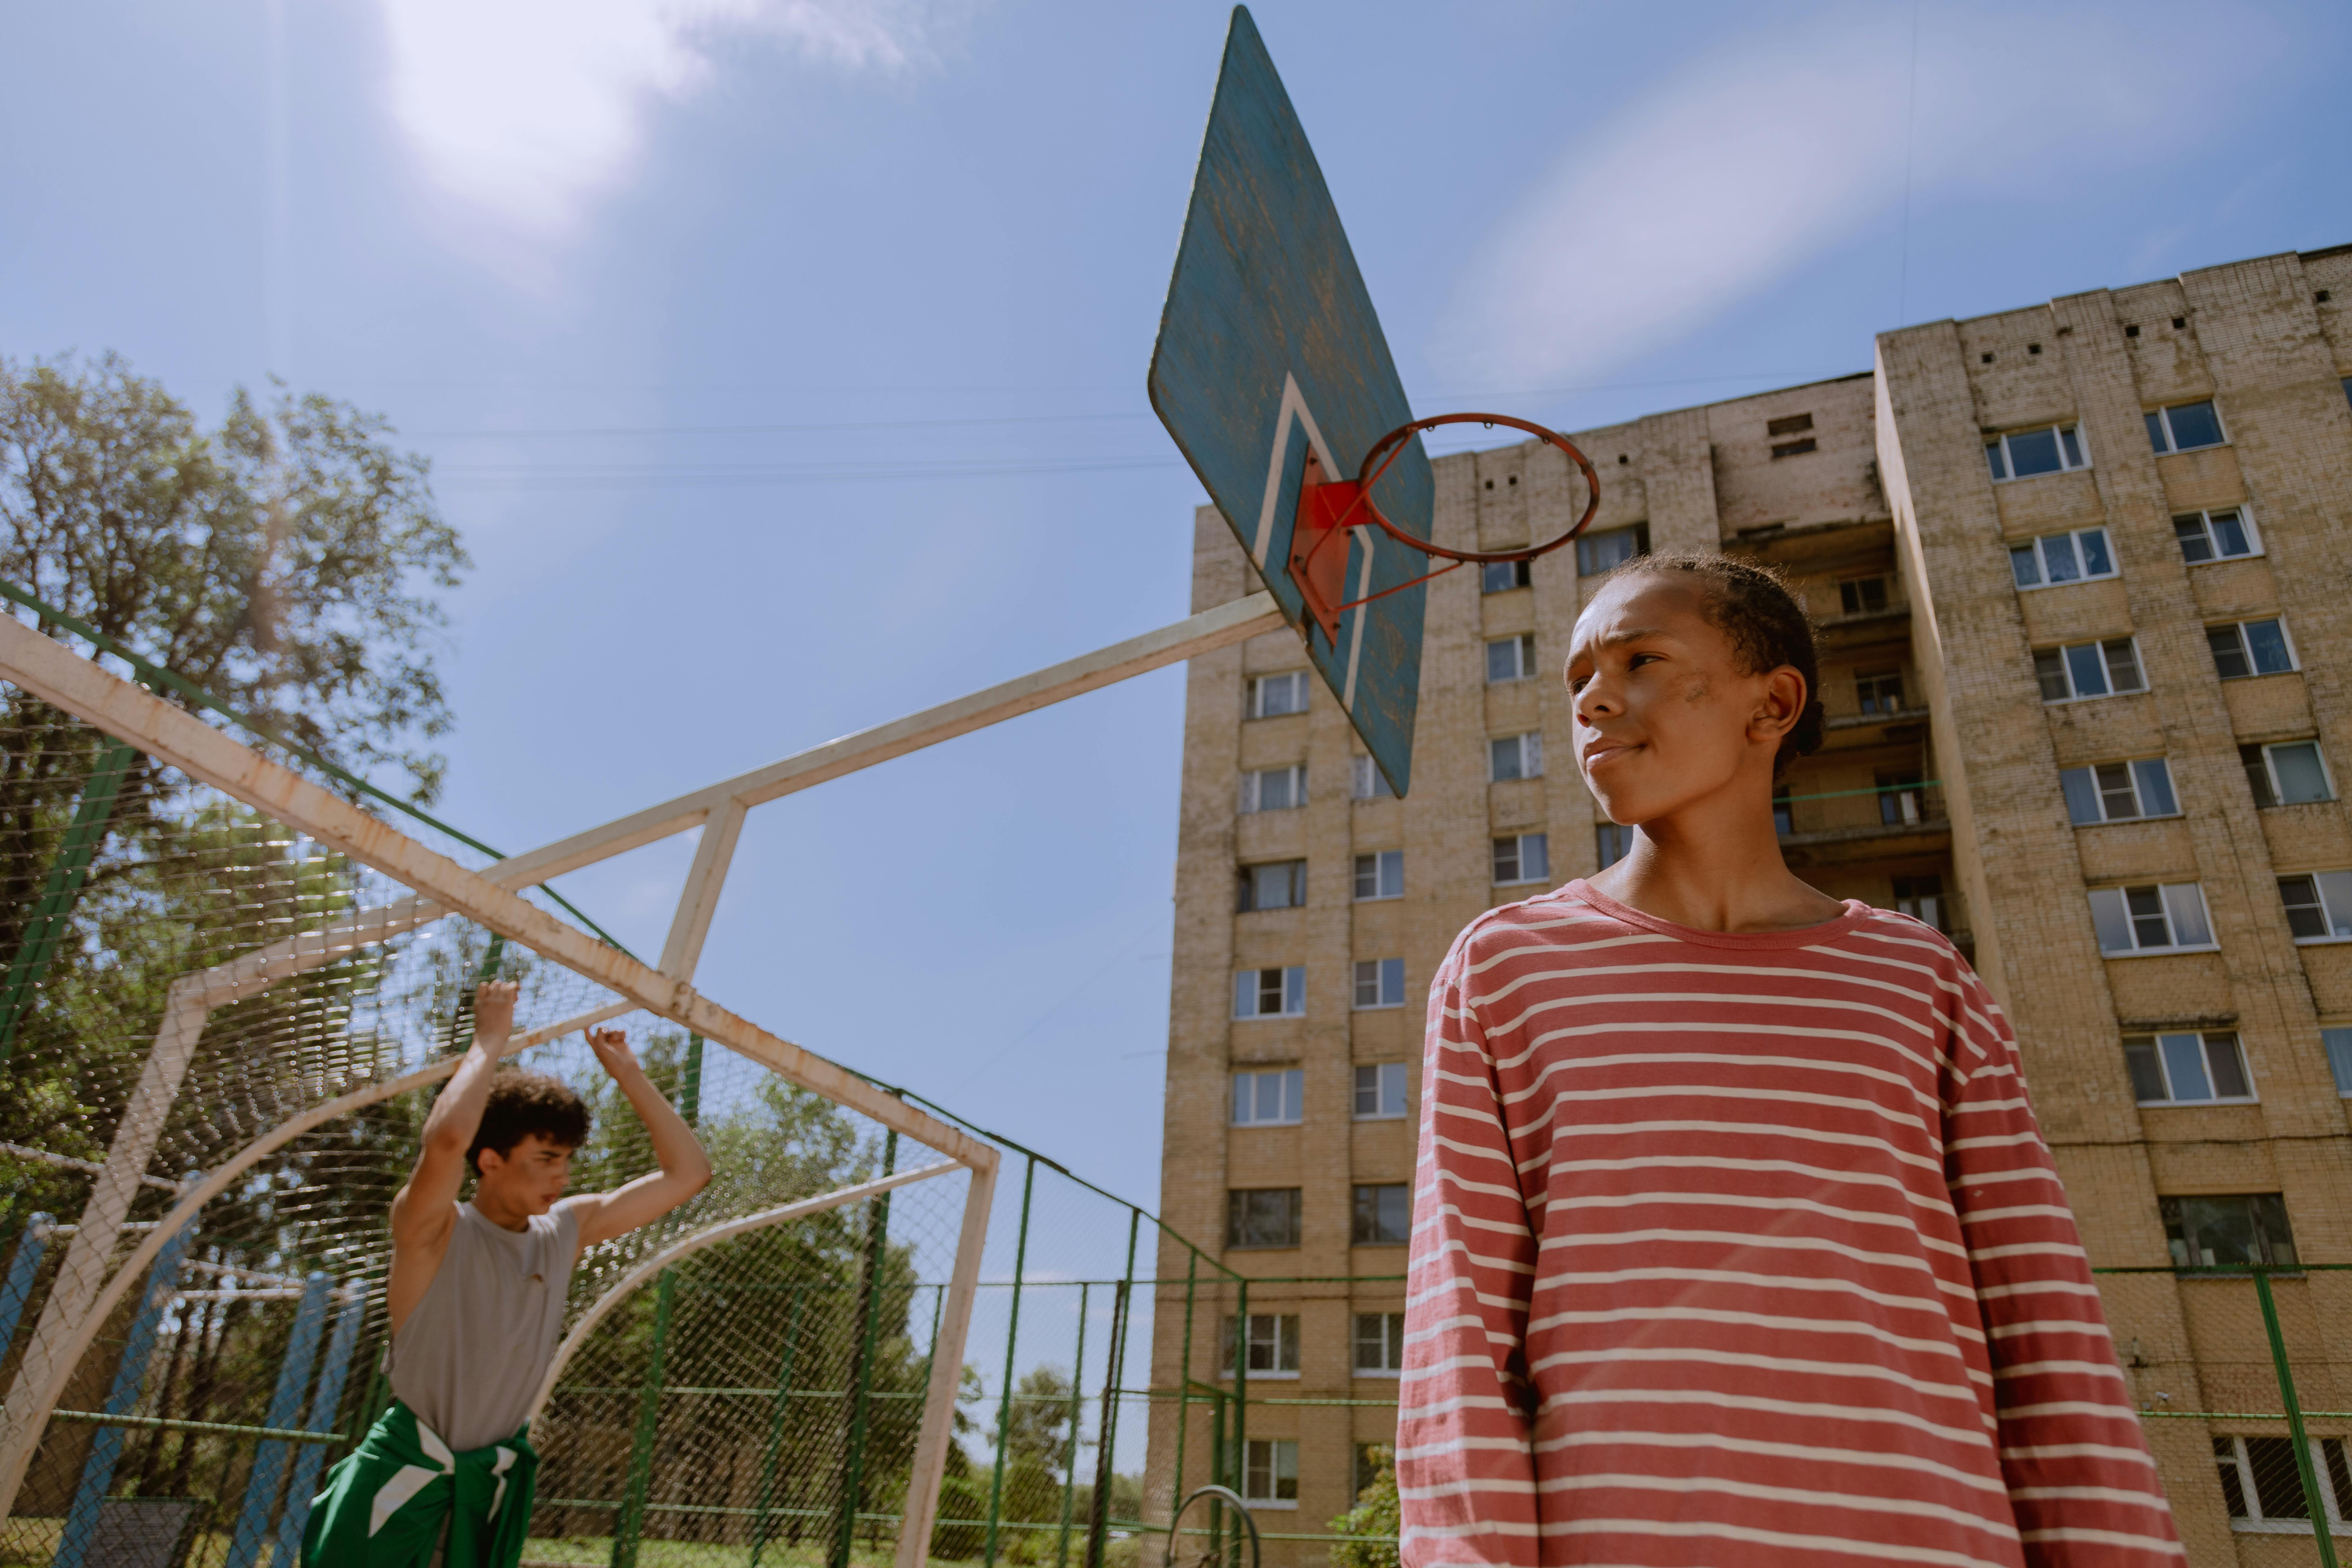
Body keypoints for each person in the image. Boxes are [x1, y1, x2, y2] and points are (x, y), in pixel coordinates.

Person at [1398, 553, 2181, 1567]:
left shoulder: (1920, 980)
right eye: (1577, 677)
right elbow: (1458, 1335)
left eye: (1640, 659)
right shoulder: (1506, 968)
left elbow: (2043, 1324)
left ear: (1770, 703)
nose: (1594, 697)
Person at [304, 980, 712, 1568]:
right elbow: (447, 1140)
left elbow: (688, 1173)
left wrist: (631, 1077)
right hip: (404, 1478)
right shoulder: (432, 1227)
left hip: (486, 1486)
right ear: (490, 1161)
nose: (563, 1176)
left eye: (568, 1159)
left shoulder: (565, 1230)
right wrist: (490, 1040)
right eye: (546, 1159)